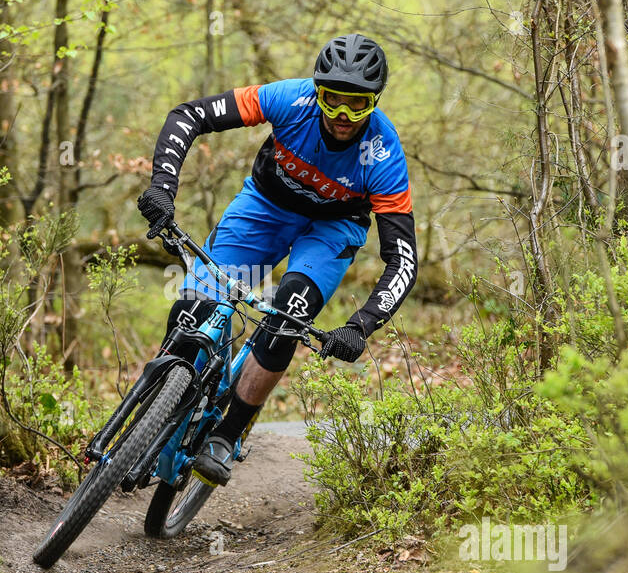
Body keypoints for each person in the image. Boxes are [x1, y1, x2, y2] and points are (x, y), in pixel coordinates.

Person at [136, 33, 417, 486]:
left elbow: (403, 261)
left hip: (331, 230)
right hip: (265, 208)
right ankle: (156, 405)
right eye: (333, 100)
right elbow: (188, 116)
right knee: (196, 306)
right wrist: (162, 189)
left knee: (290, 313)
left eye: (358, 105)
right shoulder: (289, 99)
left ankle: (226, 436)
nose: (343, 116)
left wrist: (360, 325)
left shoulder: (383, 155)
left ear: (375, 103)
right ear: (316, 92)